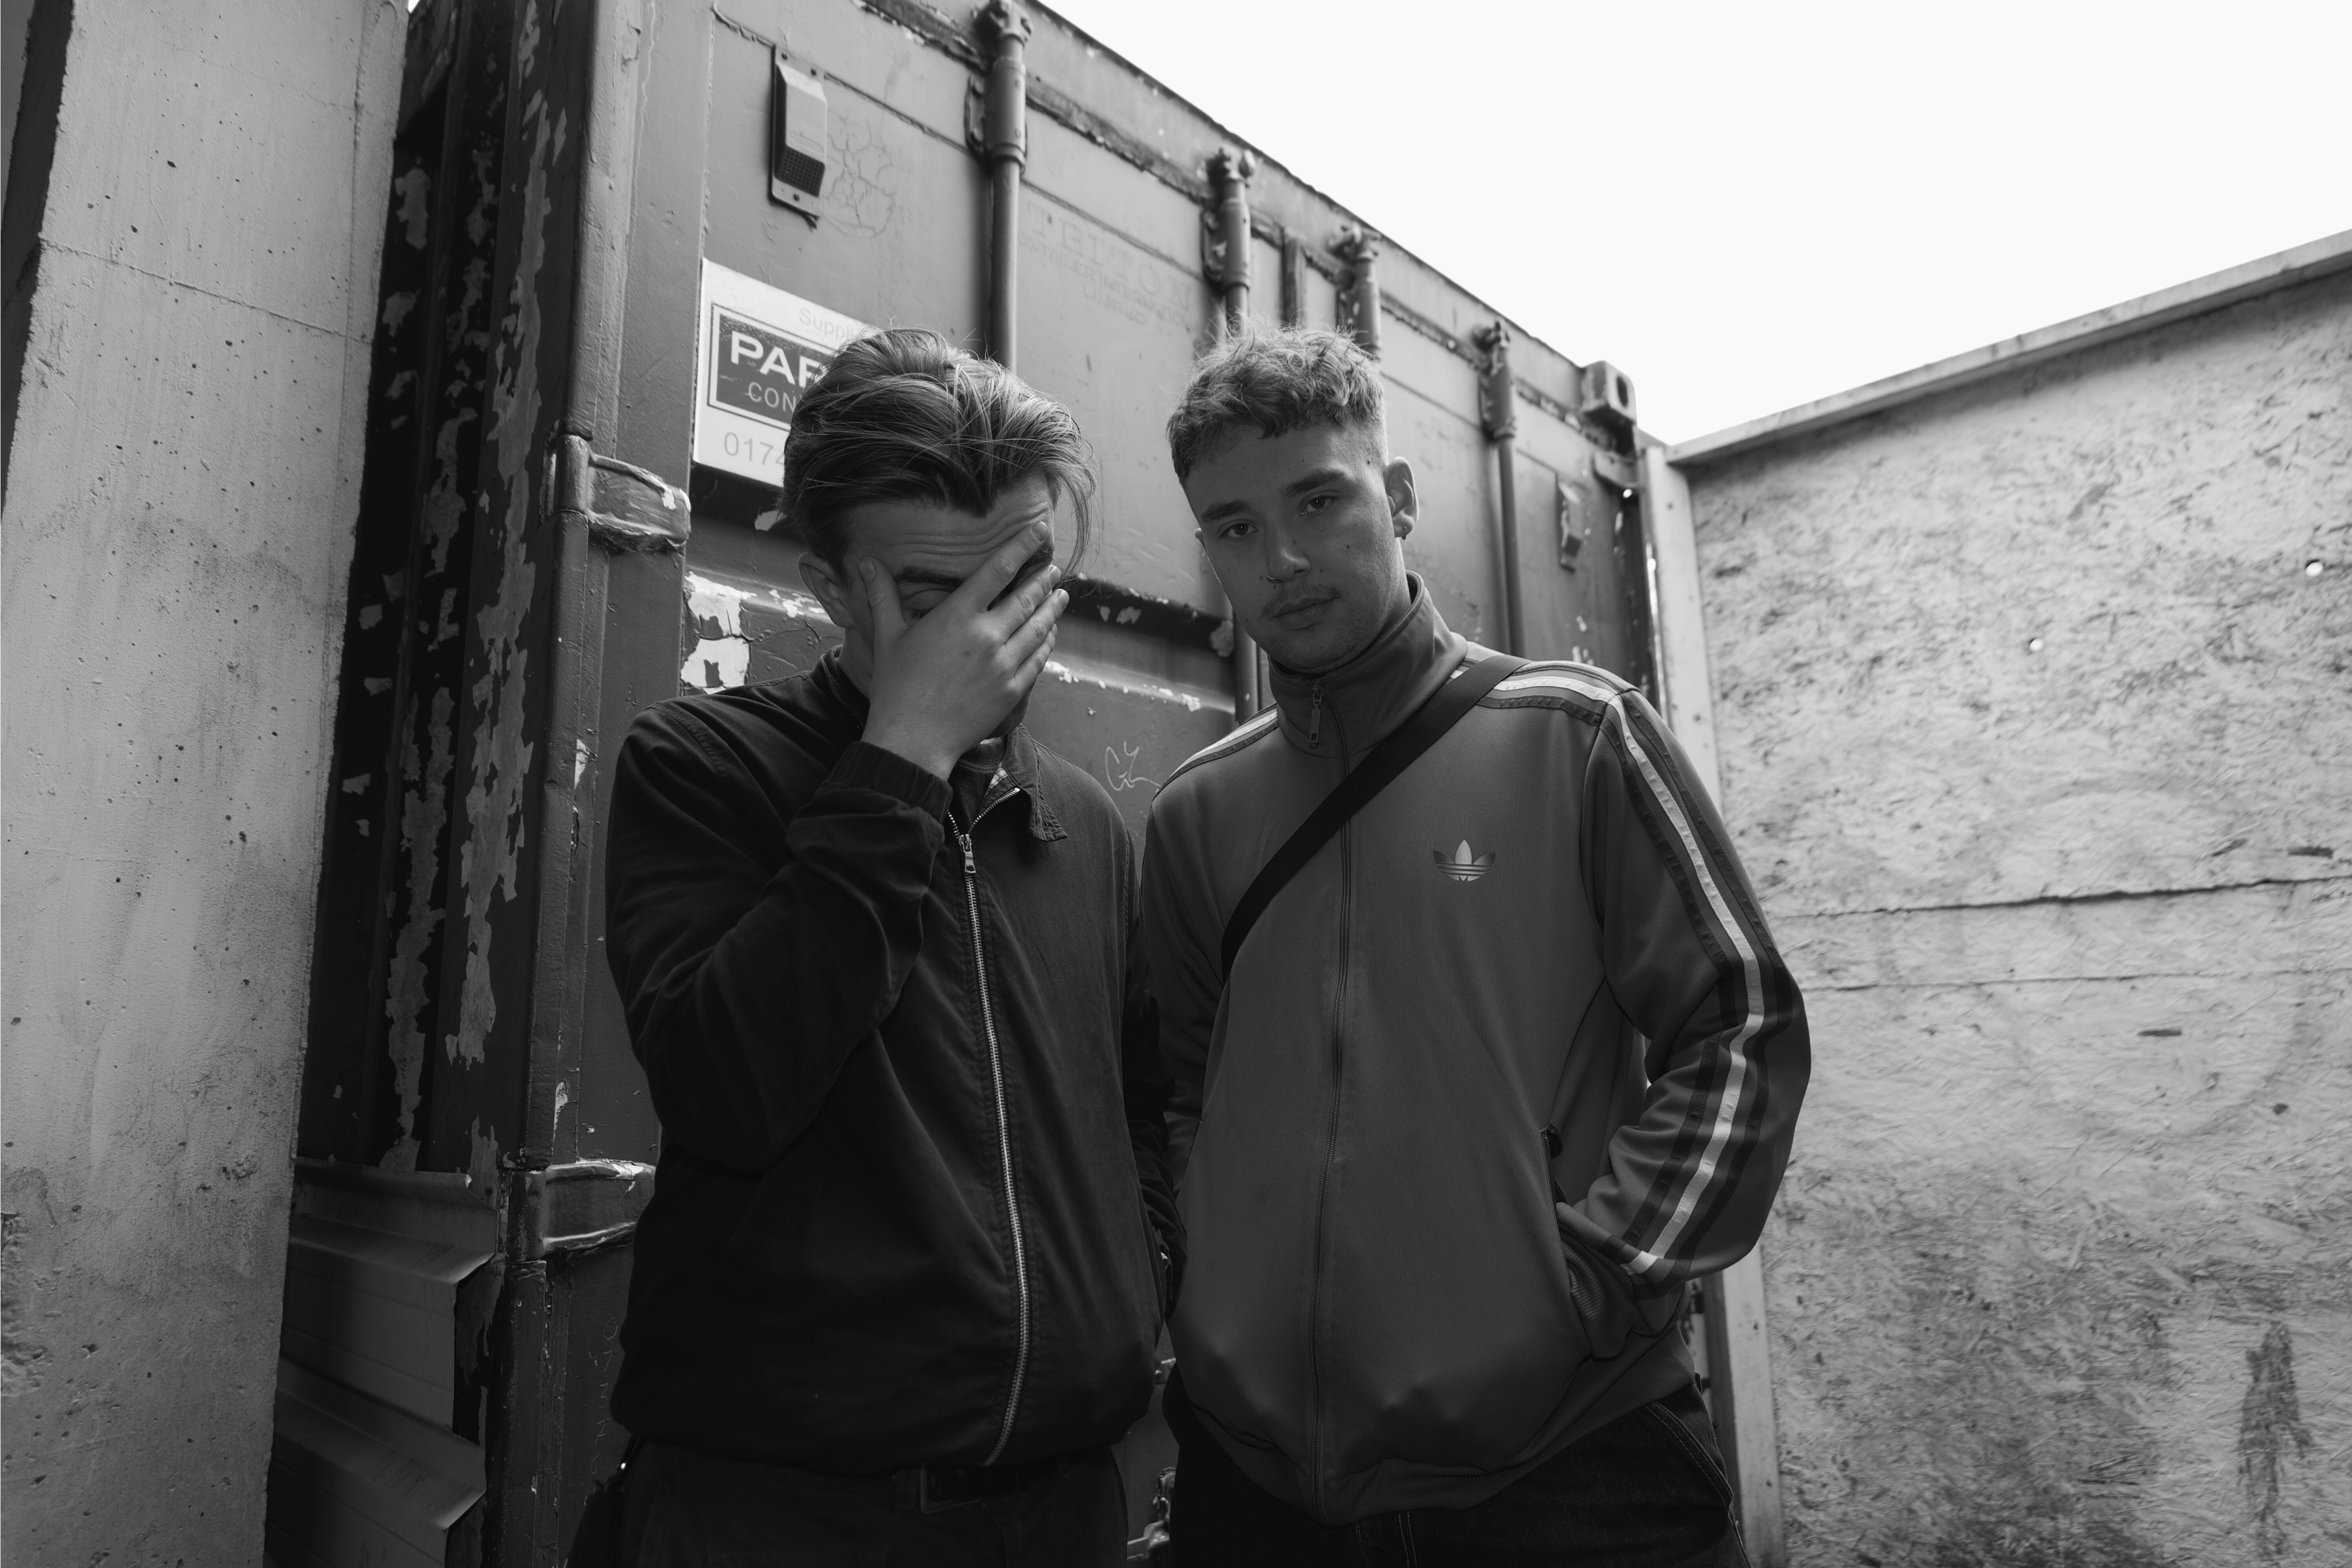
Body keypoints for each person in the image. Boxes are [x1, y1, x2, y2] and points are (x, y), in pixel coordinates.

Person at [1138, 327, 1811, 1565]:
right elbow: (1181, 1094)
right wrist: (1218, 1298)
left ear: (1397, 498)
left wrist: (1585, 1286)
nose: (1281, 558)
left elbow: (1742, 1029)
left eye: (1319, 500)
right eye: (1234, 526)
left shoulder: (1579, 738)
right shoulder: (1196, 812)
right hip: (1259, 1488)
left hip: (1567, 1467)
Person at [601, 329, 1180, 1566]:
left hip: (1063, 1508)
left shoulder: (1085, 821)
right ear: (827, 588)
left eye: (1022, 580)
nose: (989, 633)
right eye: (932, 600)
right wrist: (902, 759)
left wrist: (1138, 1294)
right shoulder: (702, 767)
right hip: (788, 1516)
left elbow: (1141, 1116)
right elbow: (726, 1092)